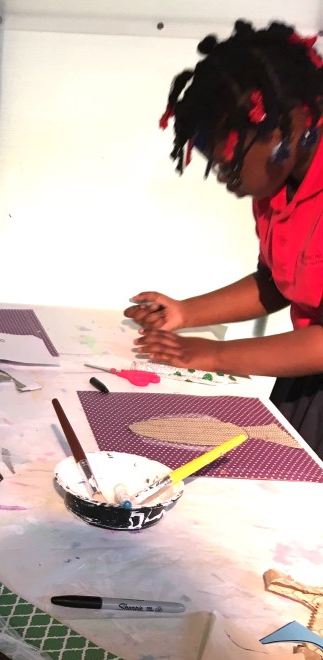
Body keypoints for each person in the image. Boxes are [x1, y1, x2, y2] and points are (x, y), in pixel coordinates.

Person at [127, 19, 323, 456]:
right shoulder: (280, 183)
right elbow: (276, 282)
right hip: (305, 374)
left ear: (289, 127)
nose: (225, 180)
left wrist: (213, 356)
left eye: (229, 164)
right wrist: (185, 313)